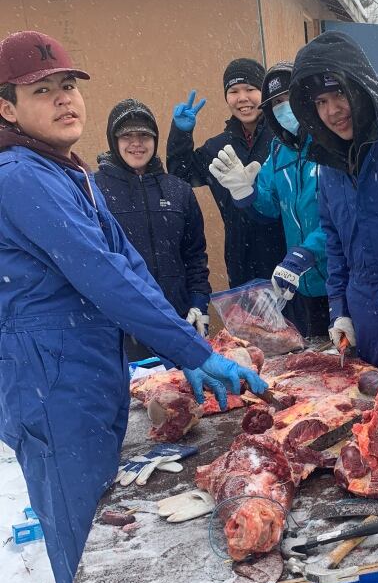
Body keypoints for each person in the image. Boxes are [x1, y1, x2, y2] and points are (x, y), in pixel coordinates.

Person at [0, 31, 265, 583]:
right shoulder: (19, 179)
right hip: (50, 389)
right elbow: (101, 276)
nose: (64, 100)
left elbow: (128, 266)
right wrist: (192, 352)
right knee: (81, 553)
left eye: (68, 86)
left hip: (86, 376)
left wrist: (190, 342)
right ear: (6, 108)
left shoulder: (66, 171)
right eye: (43, 91)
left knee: (100, 524)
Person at [287, 31, 378, 498]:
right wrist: (338, 311)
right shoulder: (328, 158)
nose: (332, 111)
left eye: (338, 94)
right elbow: (334, 240)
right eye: (320, 103)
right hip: (368, 327)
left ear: (362, 84)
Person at [207, 61, 330, 338]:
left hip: (338, 280)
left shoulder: (330, 144)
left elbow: (342, 216)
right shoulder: (279, 151)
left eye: (288, 98)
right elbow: (270, 206)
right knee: (318, 366)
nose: (283, 108)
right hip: (303, 284)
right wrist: (245, 192)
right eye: (276, 103)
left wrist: (307, 251)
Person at [95, 98, 211, 361]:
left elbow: (194, 255)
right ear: (114, 141)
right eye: (127, 135)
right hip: (120, 327)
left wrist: (199, 302)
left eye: (144, 135)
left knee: (182, 396)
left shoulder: (178, 190)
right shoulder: (94, 191)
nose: (137, 143)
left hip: (178, 319)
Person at [166, 58, 286, 287]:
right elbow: (180, 175)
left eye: (251, 89)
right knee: (248, 324)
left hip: (286, 257)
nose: (242, 98)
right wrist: (181, 133)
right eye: (233, 91)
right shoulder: (218, 147)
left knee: (295, 324)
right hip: (241, 260)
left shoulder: (283, 138)